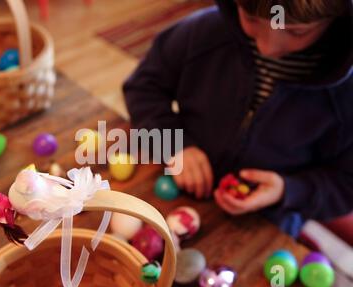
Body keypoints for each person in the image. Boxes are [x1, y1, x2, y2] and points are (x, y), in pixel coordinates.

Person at [123, 0, 353, 242]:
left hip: (264, 224)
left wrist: (287, 189)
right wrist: (171, 143)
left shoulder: (346, 96)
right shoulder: (203, 32)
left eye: (296, 31)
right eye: (251, 19)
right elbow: (143, 87)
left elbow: (346, 185)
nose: (267, 47)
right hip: (176, 188)